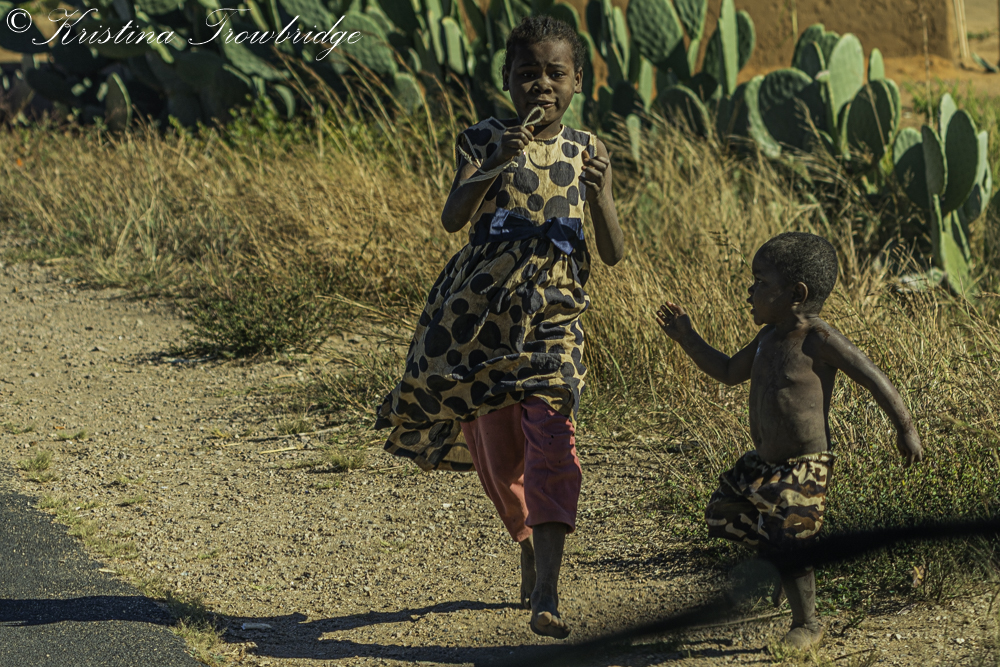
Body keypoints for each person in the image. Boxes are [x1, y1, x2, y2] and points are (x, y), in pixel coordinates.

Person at [374, 15, 624, 639]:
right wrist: (495, 161)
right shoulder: (482, 137)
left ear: (578, 81)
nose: (542, 84)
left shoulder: (589, 150)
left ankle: (548, 590)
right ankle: (527, 542)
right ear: (507, 79)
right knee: (500, 453)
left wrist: (603, 194)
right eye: (527, 72)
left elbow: (614, 252)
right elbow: (453, 217)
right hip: (480, 318)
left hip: (555, 316)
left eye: (556, 73)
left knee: (553, 441)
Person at [655, 232, 923, 649]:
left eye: (761, 282)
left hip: (804, 466)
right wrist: (687, 338)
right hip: (764, 464)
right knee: (722, 512)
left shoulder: (819, 339)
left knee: (790, 536)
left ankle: (808, 623)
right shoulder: (767, 337)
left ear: (796, 294)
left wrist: (905, 428)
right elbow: (728, 371)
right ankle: (782, 560)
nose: (750, 291)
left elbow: (873, 378)